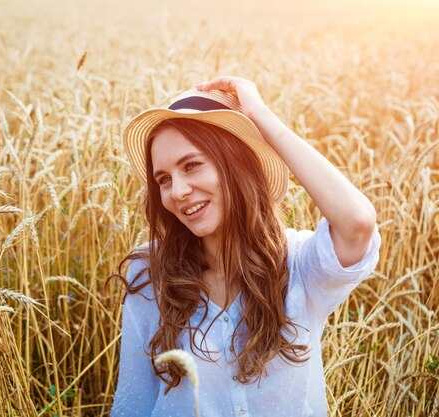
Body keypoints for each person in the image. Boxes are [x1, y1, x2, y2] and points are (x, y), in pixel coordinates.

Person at [110, 76, 381, 417]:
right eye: (164, 179)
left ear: (235, 165)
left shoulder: (299, 266)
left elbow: (357, 222)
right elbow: (133, 403)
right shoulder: (149, 271)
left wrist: (262, 118)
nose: (177, 191)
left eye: (192, 165)